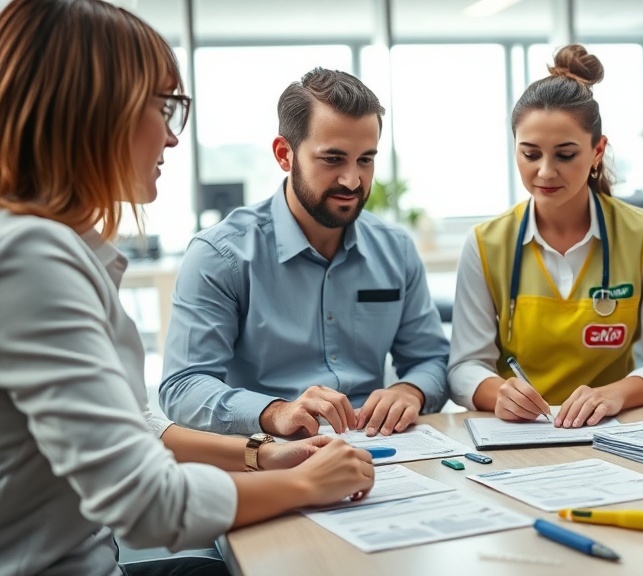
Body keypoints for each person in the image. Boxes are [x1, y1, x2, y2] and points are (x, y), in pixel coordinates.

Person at [0, 1, 375, 574]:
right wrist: (304, 485)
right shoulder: (31, 258)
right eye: (165, 109)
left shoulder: (53, 246)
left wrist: (263, 454)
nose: (174, 140)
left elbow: (133, 421)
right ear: (95, 112)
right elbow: (149, 506)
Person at [159, 68, 449, 439]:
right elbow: (183, 386)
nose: (352, 180)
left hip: (384, 449)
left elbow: (431, 359)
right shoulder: (220, 255)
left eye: (365, 160)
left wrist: (410, 390)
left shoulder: (396, 248)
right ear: (285, 154)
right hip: (269, 454)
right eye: (332, 159)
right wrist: (274, 411)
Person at [447, 44, 643, 427]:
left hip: (614, 429)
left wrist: (613, 394)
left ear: (598, 151)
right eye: (530, 154)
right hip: (519, 433)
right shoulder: (485, 243)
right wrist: (499, 393)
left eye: (565, 155)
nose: (546, 172)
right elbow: (465, 366)